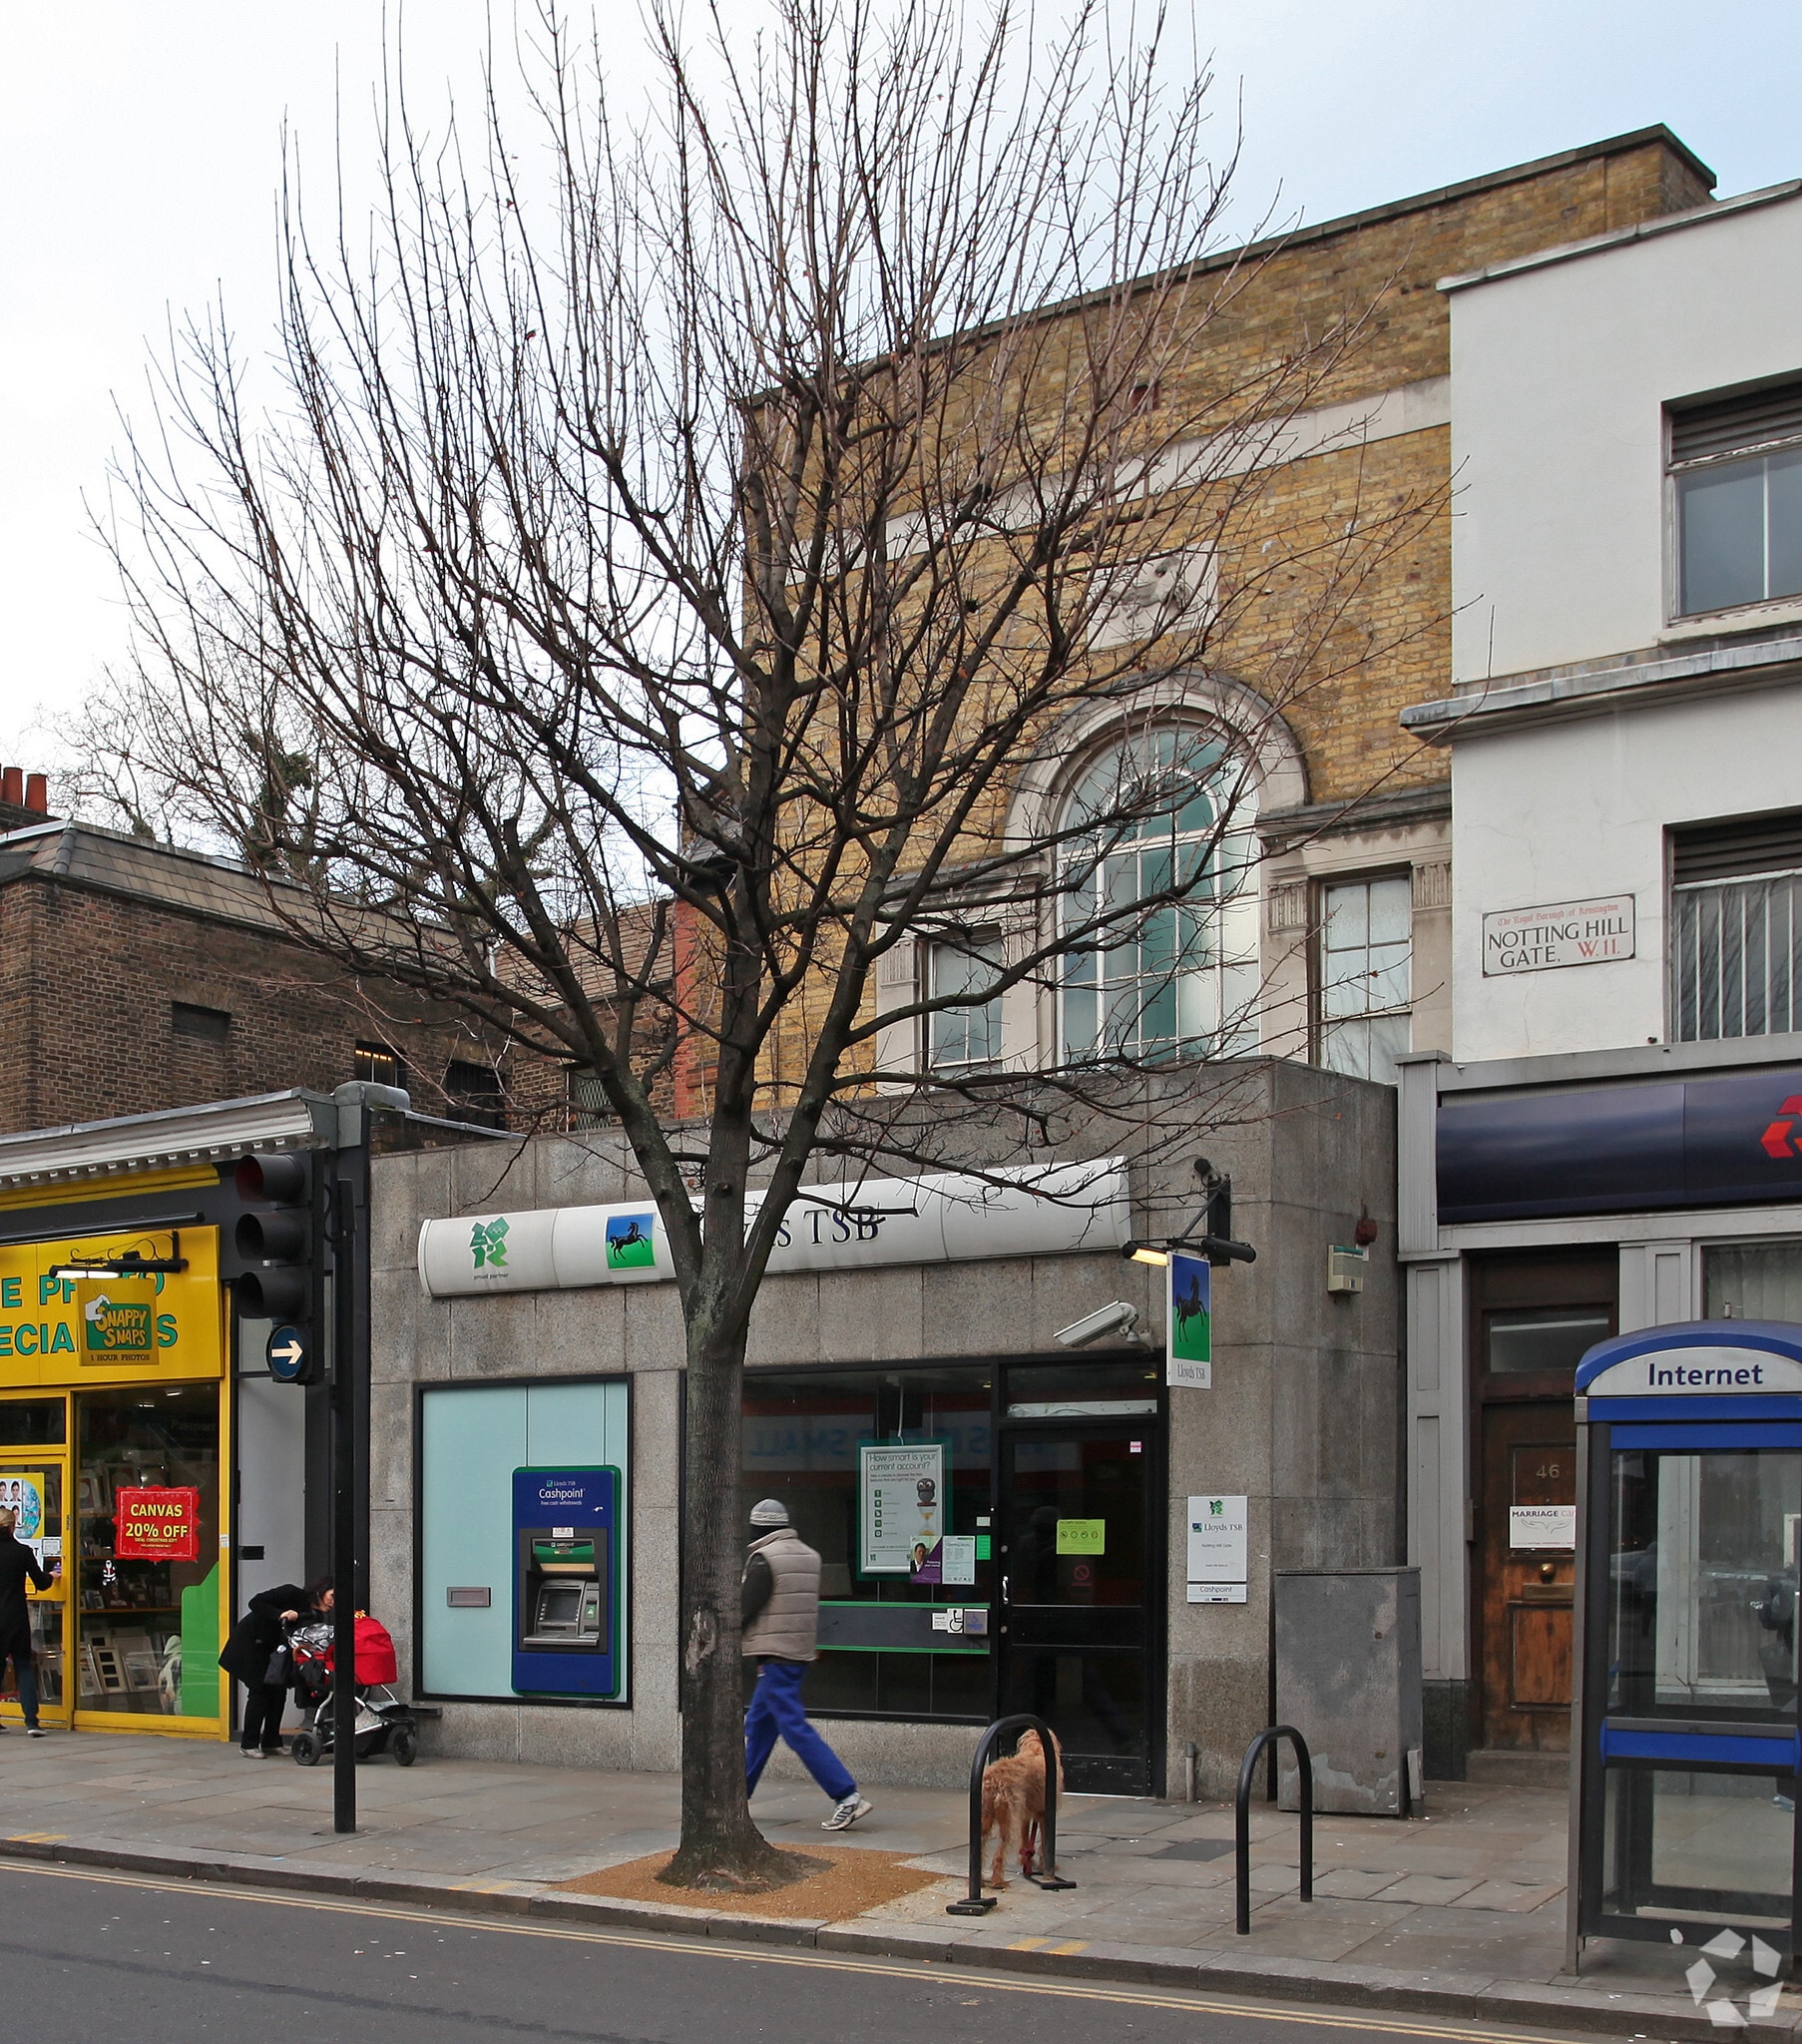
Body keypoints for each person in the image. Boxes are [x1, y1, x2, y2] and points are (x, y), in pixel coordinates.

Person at [741, 1498, 871, 1830]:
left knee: (794, 1727)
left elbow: (745, 1607)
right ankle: (736, 1795)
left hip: (774, 1655)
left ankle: (846, 1794)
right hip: (798, 1651)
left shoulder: (764, 1558)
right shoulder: (807, 1555)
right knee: (759, 1724)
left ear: (760, 1528)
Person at [218, 1575, 328, 1757]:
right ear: (321, 1591)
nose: (333, 1602)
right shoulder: (291, 1593)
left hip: (273, 1651)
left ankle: (271, 1741)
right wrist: (280, 1614)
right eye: (332, 1596)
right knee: (259, 1691)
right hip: (251, 1644)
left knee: (278, 1691)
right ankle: (248, 1744)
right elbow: (255, 1603)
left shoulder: (316, 1615)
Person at [0, 1504, 58, 1736]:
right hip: (15, 1616)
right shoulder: (22, 1551)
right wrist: (52, 1576)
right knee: (23, 1665)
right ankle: (31, 1722)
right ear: (12, 1527)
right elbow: (41, 1582)